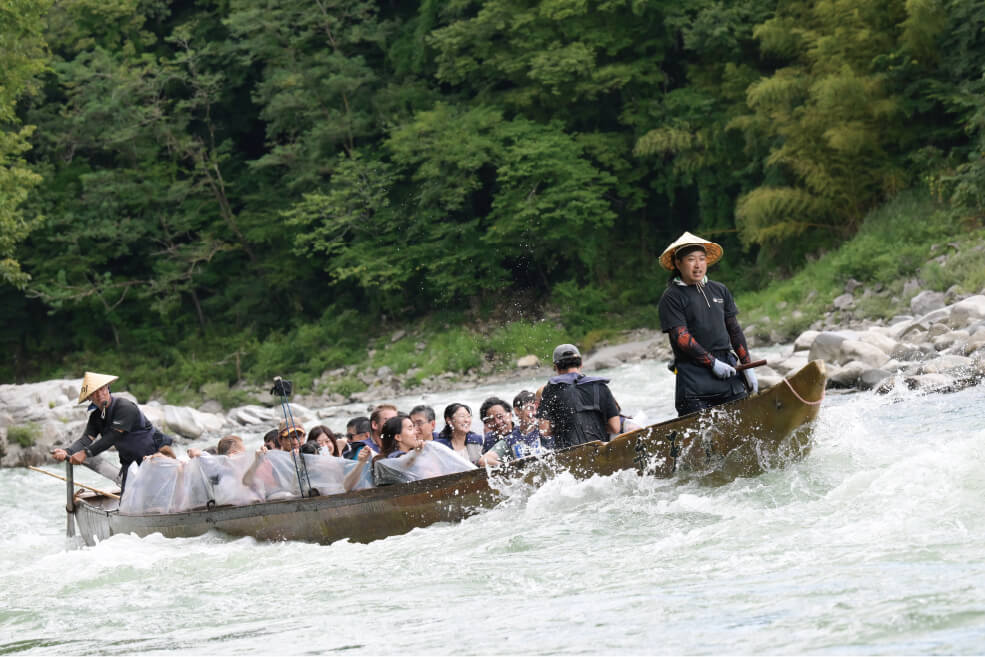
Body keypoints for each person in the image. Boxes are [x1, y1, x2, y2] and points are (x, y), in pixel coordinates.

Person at [656, 231, 758, 416]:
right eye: (691, 259)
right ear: (678, 264)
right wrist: (712, 363)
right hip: (694, 382)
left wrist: (747, 366)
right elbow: (681, 337)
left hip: (729, 374)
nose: (697, 265)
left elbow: (734, 330)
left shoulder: (720, 290)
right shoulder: (671, 297)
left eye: (702, 259)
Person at [52, 371, 172, 491]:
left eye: (101, 389)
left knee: (162, 495)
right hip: (130, 461)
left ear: (108, 388)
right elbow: (85, 440)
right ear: (89, 398)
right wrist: (67, 451)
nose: (99, 395)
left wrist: (85, 453)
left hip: (157, 454)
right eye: (94, 393)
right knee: (127, 503)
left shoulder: (124, 407)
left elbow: (112, 436)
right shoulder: (95, 417)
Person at [537, 345, 620, 449]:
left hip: (569, 454)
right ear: (581, 364)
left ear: (556, 367)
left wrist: (559, 428)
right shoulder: (601, 386)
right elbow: (615, 427)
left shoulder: (550, 390)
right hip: (599, 450)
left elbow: (544, 430)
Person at [434, 403, 499, 467]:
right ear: (449, 420)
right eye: (462, 416)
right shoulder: (439, 446)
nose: (467, 420)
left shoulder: (477, 440)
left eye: (468, 416)